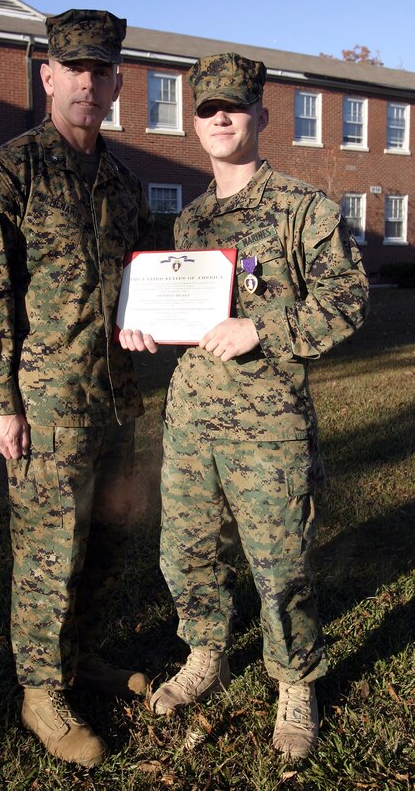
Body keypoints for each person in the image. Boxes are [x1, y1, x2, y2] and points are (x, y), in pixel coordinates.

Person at [119, 52, 369, 760]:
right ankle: (207, 652)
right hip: (193, 420)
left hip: (270, 429)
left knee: (280, 563)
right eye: (207, 108)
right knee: (186, 554)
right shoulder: (191, 221)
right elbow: (182, 313)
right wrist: (146, 328)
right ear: (195, 122)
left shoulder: (304, 210)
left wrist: (261, 326)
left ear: (261, 116)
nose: (221, 117)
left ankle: (295, 681)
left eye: (235, 106)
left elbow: (347, 301)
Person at [0, 9, 154, 768]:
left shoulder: (122, 179)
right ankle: (41, 691)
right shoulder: (11, 171)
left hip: (115, 401)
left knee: (104, 547)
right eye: (73, 67)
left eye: (101, 69)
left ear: (116, 83)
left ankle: (81, 660)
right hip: (47, 407)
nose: (87, 82)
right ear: (47, 76)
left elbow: (152, 276)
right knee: (49, 555)